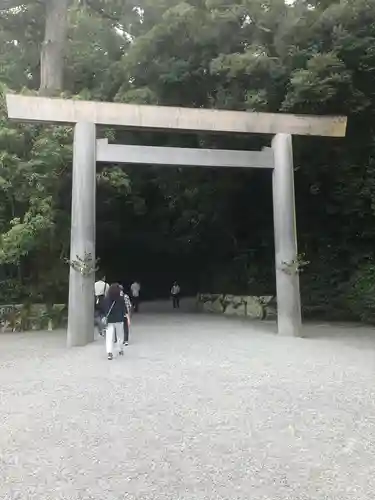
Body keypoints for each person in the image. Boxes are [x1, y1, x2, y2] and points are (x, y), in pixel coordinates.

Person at [103, 283, 128, 360]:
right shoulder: (121, 299)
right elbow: (124, 309)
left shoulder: (106, 299)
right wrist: (127, 317)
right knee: (120, 336)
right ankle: (120, 349)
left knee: (109, 337)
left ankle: (109, 352)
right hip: (119, 319)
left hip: (110, 320)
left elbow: (104, 309)